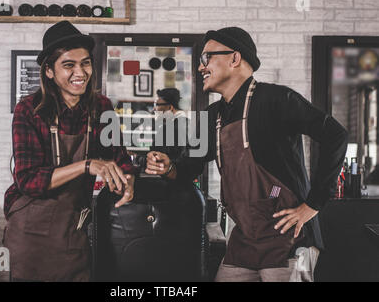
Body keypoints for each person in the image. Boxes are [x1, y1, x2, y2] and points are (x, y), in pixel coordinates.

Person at [145, 27, 348, 282]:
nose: (201, 67)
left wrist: (313, 205)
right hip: (243, 240)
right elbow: (191, 166)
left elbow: (336, 136)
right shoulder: (211, 115)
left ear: (234, 58)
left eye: (206, 58)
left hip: (288, 240)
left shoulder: (277, 100)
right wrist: (169, 168)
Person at [3, 21, 137, 282]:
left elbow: (121, 161)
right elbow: (28, 180)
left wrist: (128, 181)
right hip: (30, 233)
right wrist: (87, 165)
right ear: (50, 71)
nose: (80, 72)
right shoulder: (29, 109)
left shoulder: (102, 107)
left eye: (85, 63)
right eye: (69, 65)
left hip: (74, 228)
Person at [150, 88, 189, 162]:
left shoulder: (169, 129)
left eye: (158, 105)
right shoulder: (187, 123)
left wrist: (137, 159)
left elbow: (156, 157)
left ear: (170, 107)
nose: (155, 109)